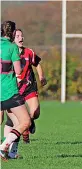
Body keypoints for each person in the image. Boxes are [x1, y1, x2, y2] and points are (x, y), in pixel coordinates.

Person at [3, 29, 47, 144]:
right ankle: (21, 135)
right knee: (11, 120)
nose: (21, 38)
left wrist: (42, 77)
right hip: (12, 89)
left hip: (29, 87)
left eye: (22, 36)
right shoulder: (7, 52)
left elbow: (37, 63)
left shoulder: (29, 52)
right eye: (17, 36)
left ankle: (28, 124)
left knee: (35, 112)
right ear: (12, 38)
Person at [0, 20, 31, 161]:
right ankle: (4, 146)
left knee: (11, 122)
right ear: (13, 33)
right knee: (25, 122)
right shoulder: (12, 47)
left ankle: (11, 152)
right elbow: (18, 71)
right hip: (9, 92)